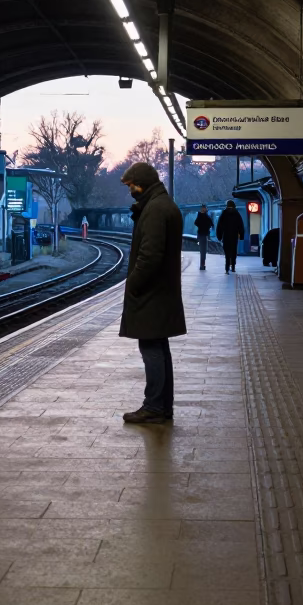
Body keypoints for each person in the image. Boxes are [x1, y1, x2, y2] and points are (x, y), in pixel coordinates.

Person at [118, 162, 186, 424]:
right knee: (158, 346)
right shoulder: (159, 204)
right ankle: (161, 406)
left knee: (151, 348)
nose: (130, 190)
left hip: (152, 292)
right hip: (160, 291)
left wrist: (133, 284)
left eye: (131, 185)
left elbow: (150, 255)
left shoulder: (155, 209)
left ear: (142, 182)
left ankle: (154, 407)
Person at [215, 199, 245, 274]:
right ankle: (233, 267)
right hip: (234, 236)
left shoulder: (224, 213)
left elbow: (219, 226)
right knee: (233, 251)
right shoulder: (236, 213)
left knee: (227, 252)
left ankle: (227, 268)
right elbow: (240, 225)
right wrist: (241, 235)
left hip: (226, 236)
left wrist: (219, 236)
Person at [193, 204, 213, 270]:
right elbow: (196, 223)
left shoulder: (206, 216)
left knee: (203, 250)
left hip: (204, 234)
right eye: (203, 208)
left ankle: (202, 264)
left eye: (204, 208)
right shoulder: (200, 215)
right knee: (203, 250)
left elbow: (211, 223)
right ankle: (202, 264)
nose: (204, 209)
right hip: (202, 234)